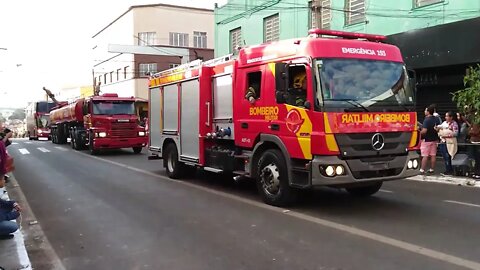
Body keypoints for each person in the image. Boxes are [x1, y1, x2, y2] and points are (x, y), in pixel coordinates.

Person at [436, 111, 459, 176]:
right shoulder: (444, 123)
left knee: (448, 156)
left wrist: (446, 135)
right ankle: (447, 169)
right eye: (445, 116)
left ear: (451, 117)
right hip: (443, 141)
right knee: (445, 156)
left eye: (447, 116)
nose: (446, 117)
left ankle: (450, 170)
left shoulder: (454, 124)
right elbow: (440, 129)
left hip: (450, 142)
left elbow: (455, 133)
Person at [420, 105, 440, 174]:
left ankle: (422, 169)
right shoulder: (436, 119)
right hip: (434, 139)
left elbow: (424, 131)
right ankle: (432, 169)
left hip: (426, 140)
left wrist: (418, 133)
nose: (424, 111)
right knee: (433, 155)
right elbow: (438, 128)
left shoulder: (426, 120)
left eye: (425, 110)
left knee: (425, 155)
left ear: (428, 112)